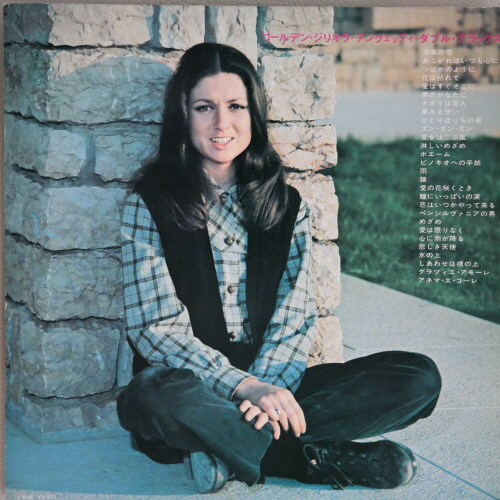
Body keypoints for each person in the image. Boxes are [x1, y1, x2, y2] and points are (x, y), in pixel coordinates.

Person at [117, 42, 441, 494]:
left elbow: (294, 316)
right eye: (204, 107)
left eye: (236, 106)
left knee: (417, 378)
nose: (222, 123)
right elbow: (155, 329)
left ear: (254, 114)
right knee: (149, 394)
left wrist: (266, 389)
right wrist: (243, 387)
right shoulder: (150, 202)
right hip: (192, 386)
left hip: (276, 379)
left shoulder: (287, 205)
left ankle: (227, 447)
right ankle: (308, 459)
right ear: (183, 116)